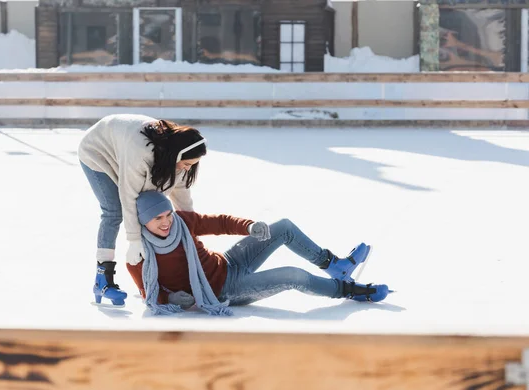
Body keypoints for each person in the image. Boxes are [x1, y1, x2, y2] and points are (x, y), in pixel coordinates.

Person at [127, 191, 390, 316]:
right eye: (157, 218)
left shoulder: (182, 221)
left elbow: (218, 222)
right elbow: (149, 293)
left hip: (228, 262)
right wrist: (172, 296)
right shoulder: (138, 255)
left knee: (284, 227)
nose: (166, 222)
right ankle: (347, 289)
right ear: (142, 222)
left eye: (167, 214)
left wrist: (249, 227)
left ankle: (333, 264)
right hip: (223, 290)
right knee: (293, 275)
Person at [78, 114, 207, 307]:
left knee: (154, 212)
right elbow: (128, 196)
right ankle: (102, 280)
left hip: (123, 148)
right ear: (177, 155)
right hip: (97, 151)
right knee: (114, 211)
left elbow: (182, 194)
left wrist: (191, 230)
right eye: (187, 164)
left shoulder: (175, 155)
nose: (188, 169)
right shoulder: (140, 154)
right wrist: (134, 240)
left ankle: (151, 278)